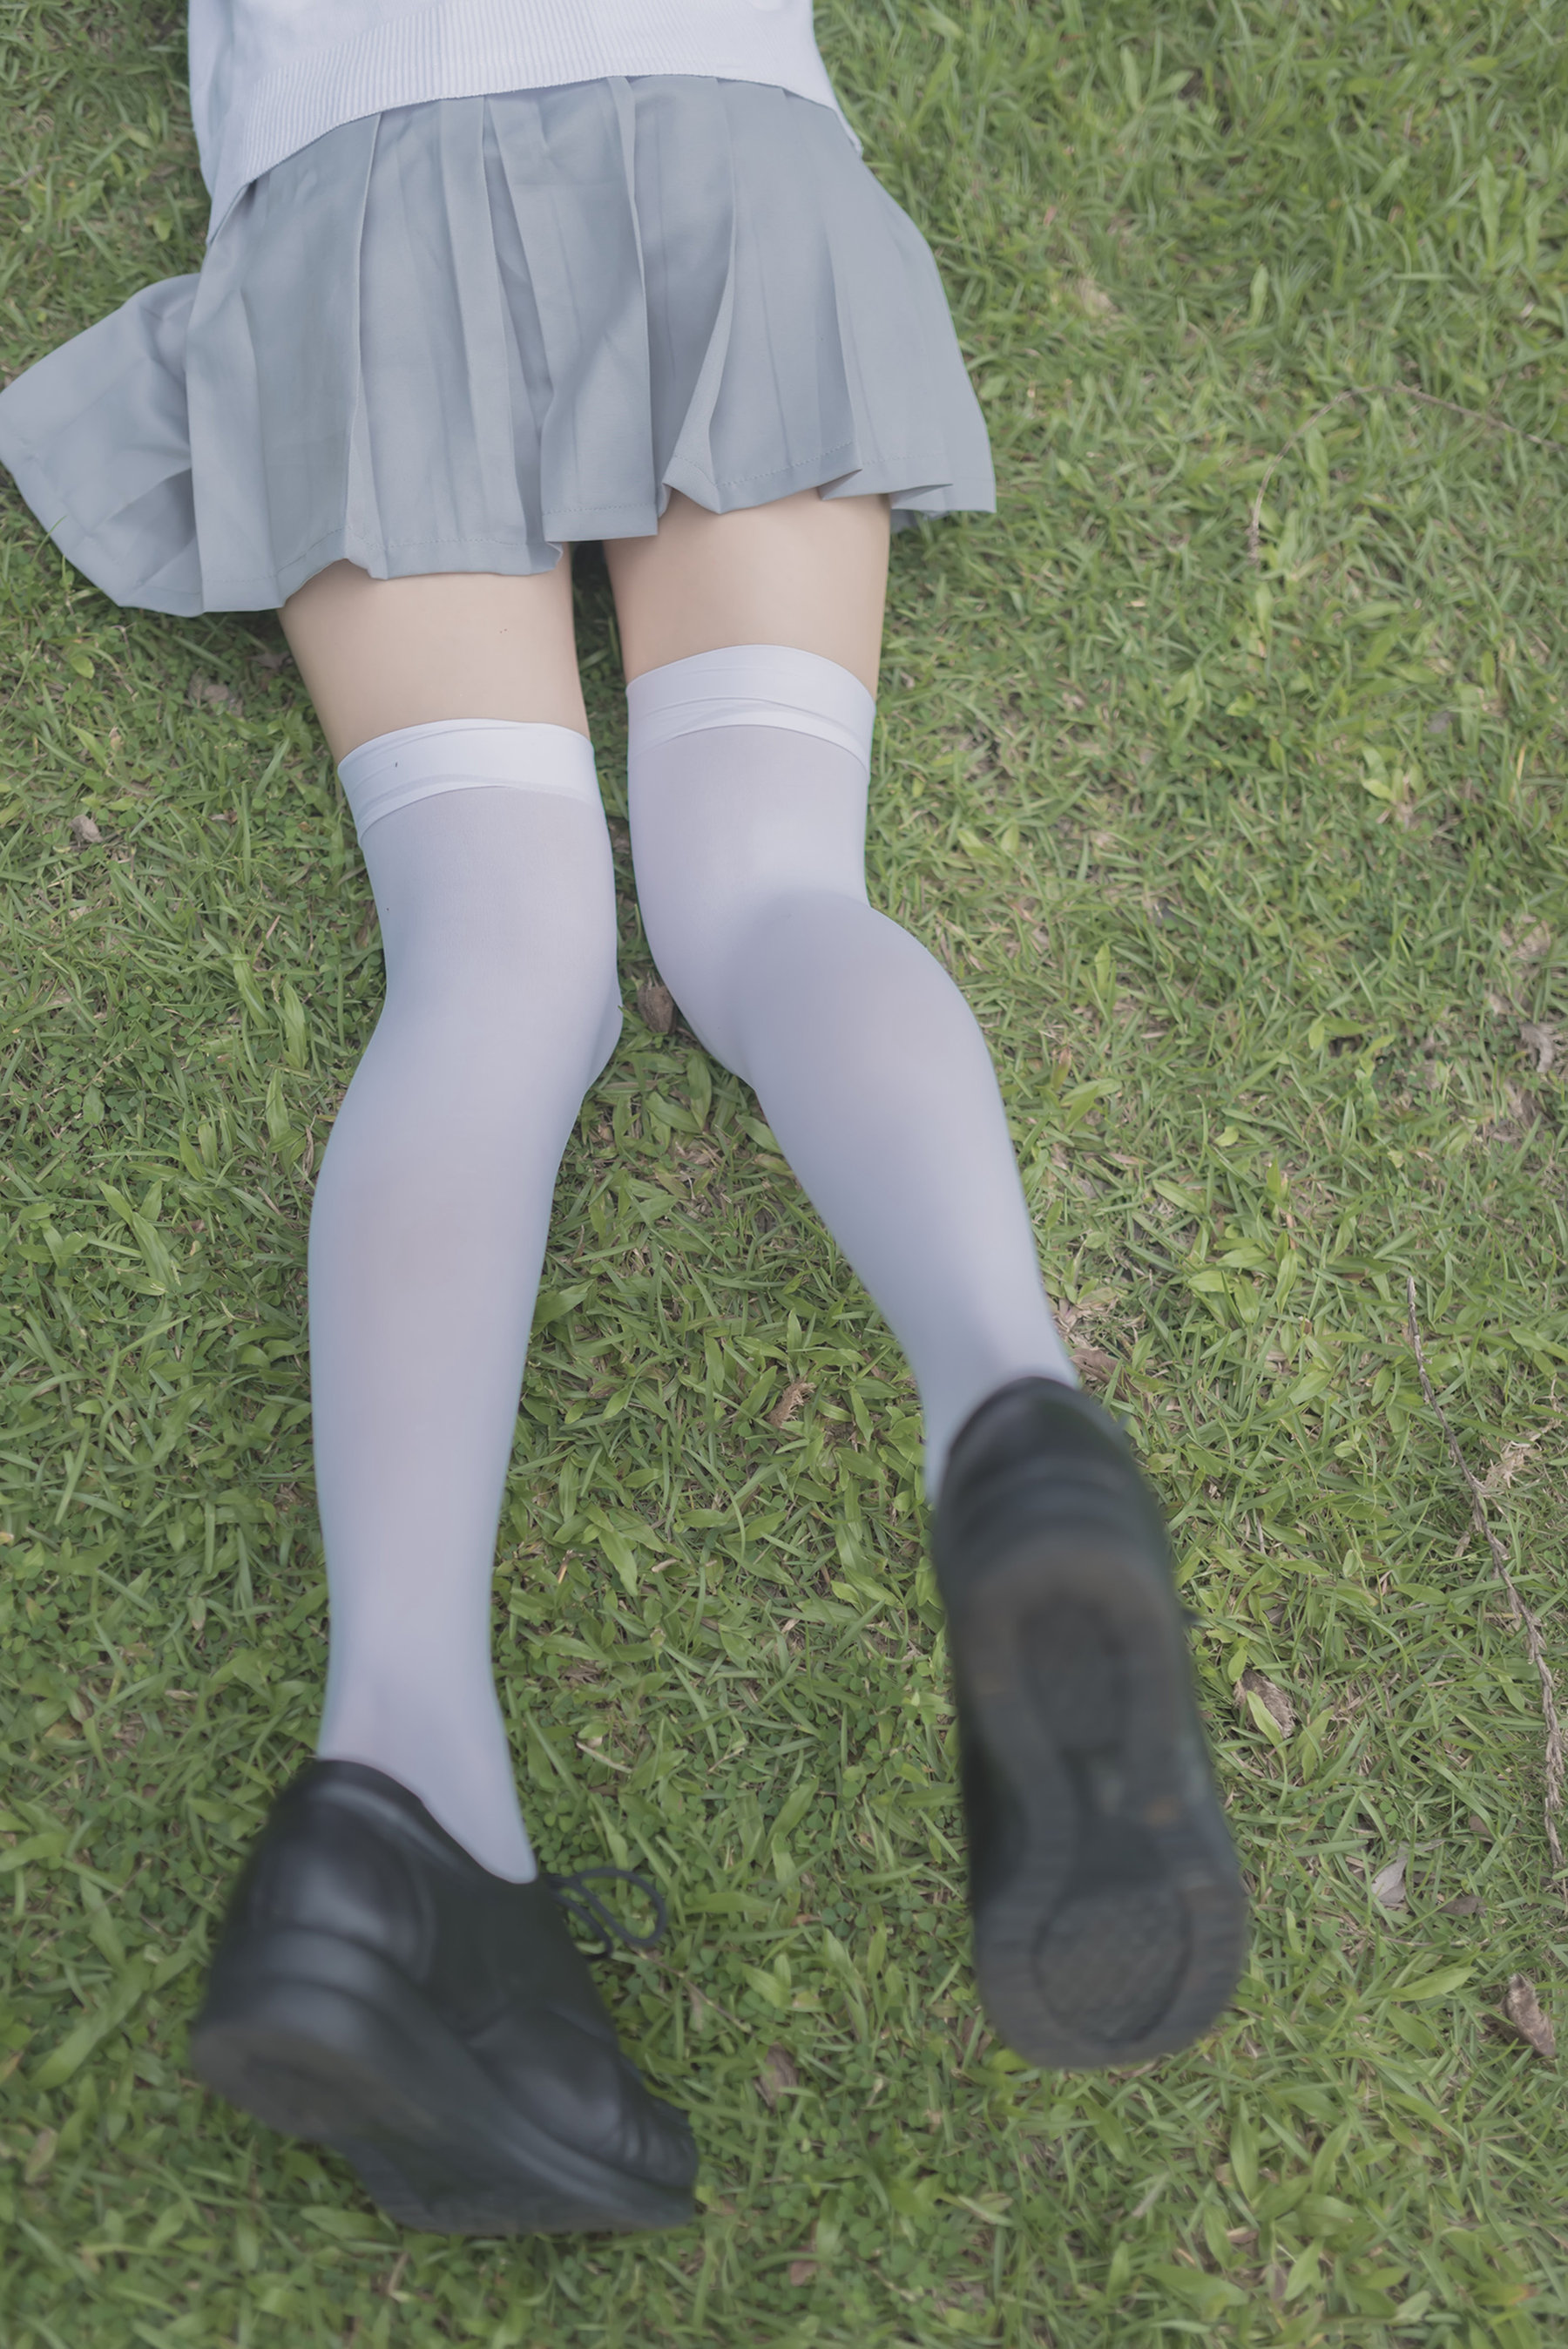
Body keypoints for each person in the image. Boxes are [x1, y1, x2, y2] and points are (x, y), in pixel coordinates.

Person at [0, 1, 1247, 2238]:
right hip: (718, 145)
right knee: (768, 890)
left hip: (362, 208)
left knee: (496, 960)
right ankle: (1010, 1403)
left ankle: (392, 1781)